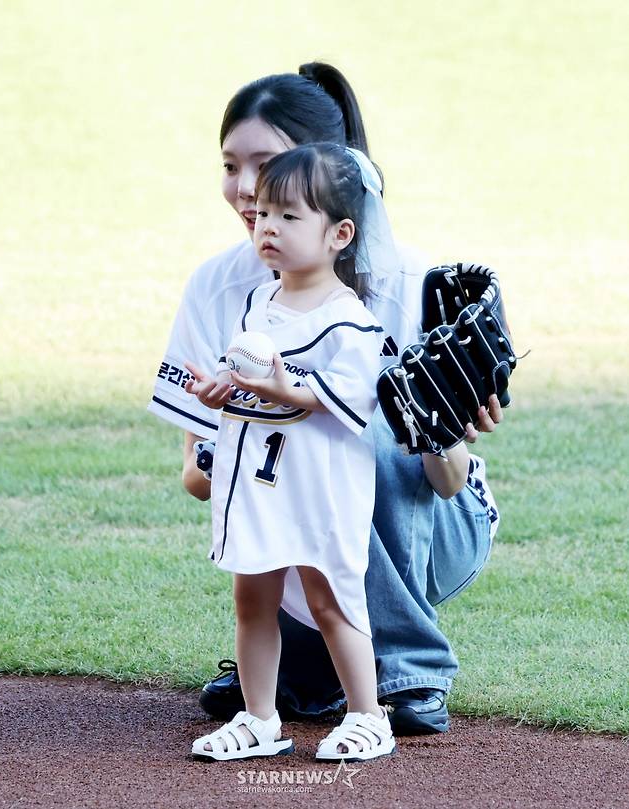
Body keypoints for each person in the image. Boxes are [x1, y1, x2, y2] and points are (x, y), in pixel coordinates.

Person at [148, 62, 502, 736]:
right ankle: (304, 675)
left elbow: (444, 478)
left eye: (269, 166)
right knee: (290, 452)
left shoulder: (409, 283)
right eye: (230, 165)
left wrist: (442, 423)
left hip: (433, 526)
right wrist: (240, 419)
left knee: (358, 429)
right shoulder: (219, 288)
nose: (247, 190)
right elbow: (198, 477)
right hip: (290, 510)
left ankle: (407, 668)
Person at [186, 142, 400, 762]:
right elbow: (242, 376)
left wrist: (282, 385)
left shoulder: (350, 319)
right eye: (264, 214)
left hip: (318, 488)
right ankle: (259, 719)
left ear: (340, 234)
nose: (268, 227)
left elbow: (343, 400)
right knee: (251, 598)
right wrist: (218, 388)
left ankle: (368, 715)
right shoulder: (259, 303)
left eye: (289, 216)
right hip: (256, 482)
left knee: (330, 597)